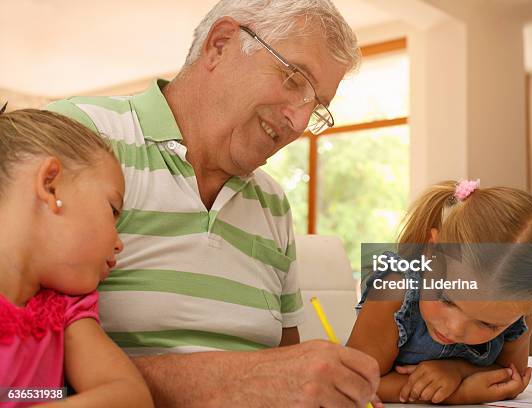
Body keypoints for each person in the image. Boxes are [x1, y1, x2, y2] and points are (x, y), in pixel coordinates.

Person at [46, 0, 380, 406]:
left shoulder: (273, 202)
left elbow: (284, 367)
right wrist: (231, 380)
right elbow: (22, 369)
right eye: (294, 80)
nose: (298, 121)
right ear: (220, 45)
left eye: (317, 107)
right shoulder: (79, 134)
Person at [348, 179, 532, 404]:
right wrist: (459, 394)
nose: (455, 328)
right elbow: (354, 383)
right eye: (448, 300)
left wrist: (456, 370)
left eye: (487, 324)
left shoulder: (517, 312)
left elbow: (510, 376)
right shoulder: (394, 291)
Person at [0, 109, 153, 407]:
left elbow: (130, 396)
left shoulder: (67, 310)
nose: (119, 243)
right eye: (112, 210)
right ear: (50, 184)